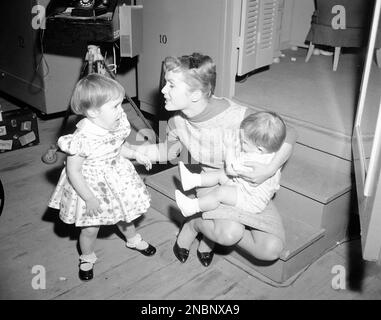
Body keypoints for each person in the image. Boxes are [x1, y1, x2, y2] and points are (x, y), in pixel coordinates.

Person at [132, 52, 297, 267]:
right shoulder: (176, 121)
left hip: (248, 185)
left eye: (171, 85)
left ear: (196, 94)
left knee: (270, 250)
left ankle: (207, 233)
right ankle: (194, 225)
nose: (163, 90)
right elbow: (168, 152)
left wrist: (269, 170)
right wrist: (129, 153)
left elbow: (290, 132)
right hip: (211, 178)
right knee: (230, 232)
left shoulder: (236, 116)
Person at [48, 73, 156, 281]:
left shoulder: (115, 124)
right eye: (115, 106)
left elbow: (118, 146)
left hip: (116, 178)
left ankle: (132, 239)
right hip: (90, 186)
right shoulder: (82, 139)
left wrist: (136, 154)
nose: (120, 110)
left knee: (125, 214)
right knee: (90, 228)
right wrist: (89, 198)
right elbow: (73, 171)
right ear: (93, 112)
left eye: (120, 104)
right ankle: (87, 256)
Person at [175, 111, 286, 217]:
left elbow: (230, 169)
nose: (242, 144)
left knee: (221, 192)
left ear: (260, 149)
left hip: (250, 200)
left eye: (245, 142)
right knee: (221, 174)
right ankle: (192, 180)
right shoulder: (272, 154)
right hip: (247, 188)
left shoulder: (253, 161)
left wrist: (230, 148)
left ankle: (192, 207)